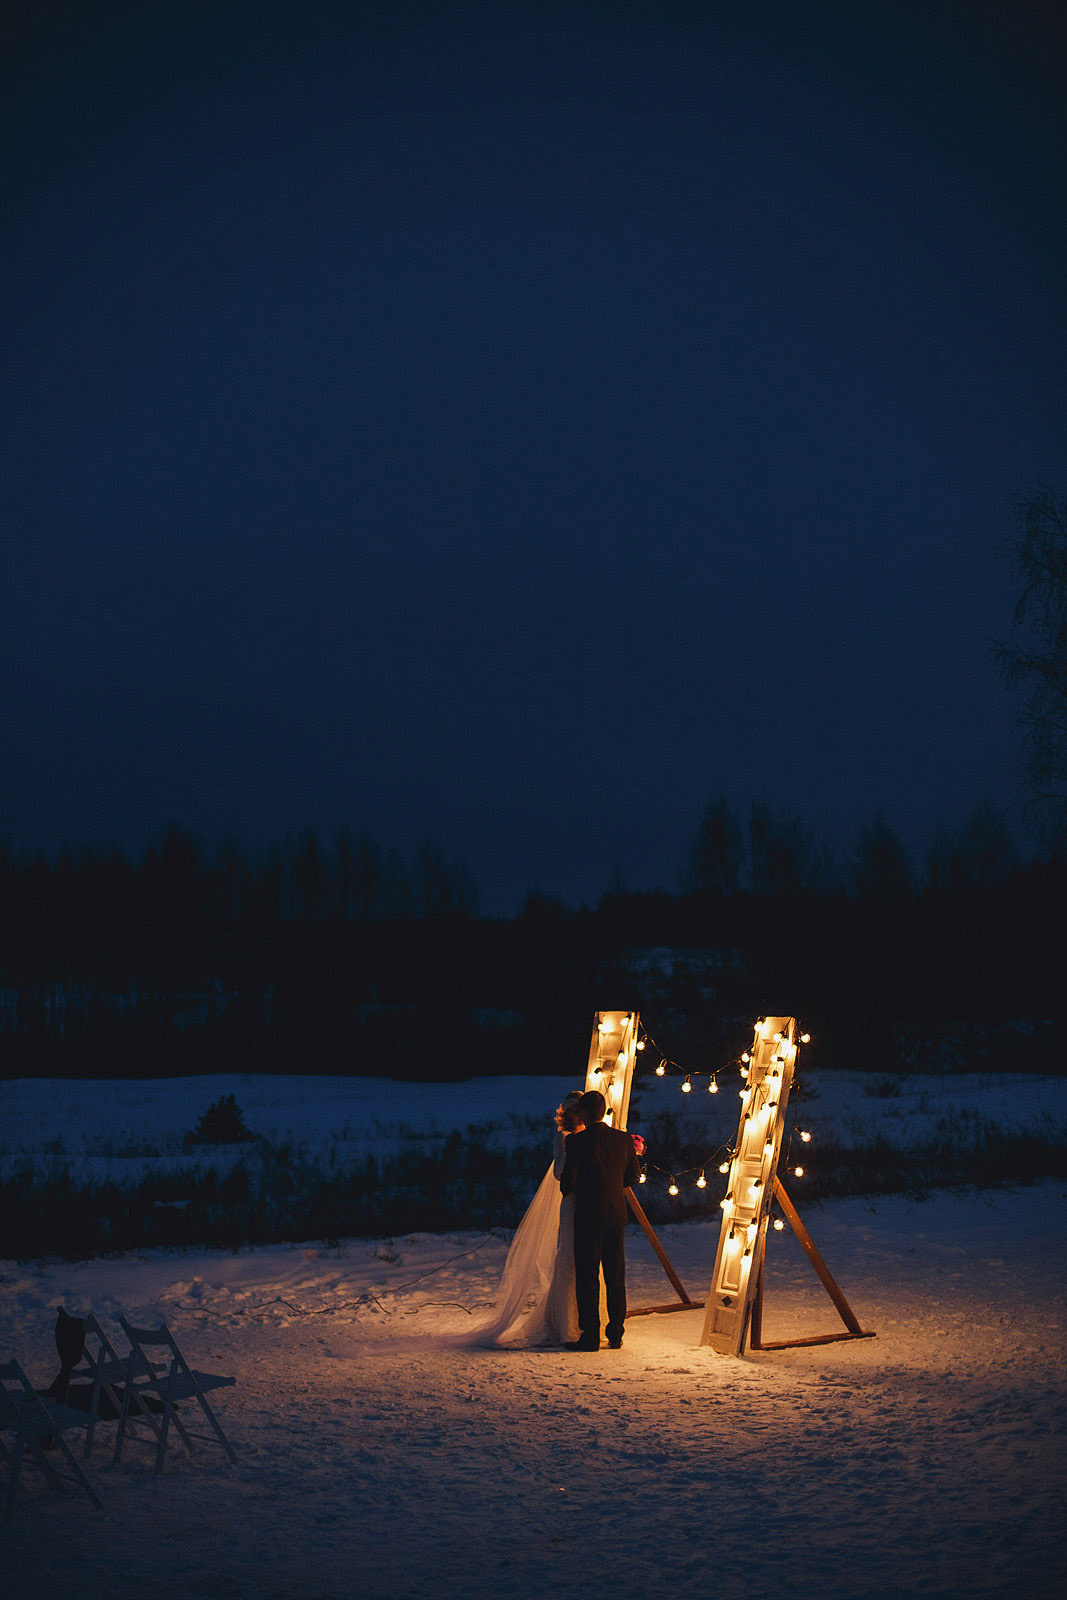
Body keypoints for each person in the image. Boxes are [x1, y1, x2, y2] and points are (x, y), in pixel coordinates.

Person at [478, 1092, 586, 1346]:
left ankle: (584, 1317)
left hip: (587, 1199)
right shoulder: (564, 1139)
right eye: (575, 1111)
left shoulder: (588, 1137)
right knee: (569, 1255)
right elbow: (561, 1172)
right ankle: (567, 1320)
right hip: (572, 1199)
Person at [558, 1088, 641, 1351]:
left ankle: (590, 1335)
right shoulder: (625, 1140)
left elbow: (567, 1184)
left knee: (588, 1276)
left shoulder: (576, 1143)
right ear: (604, 1111)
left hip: (587, 1216)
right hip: (616, 1215)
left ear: (582, 1113)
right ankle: (616, 1333)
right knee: (616, 1276)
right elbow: (633, 1178)